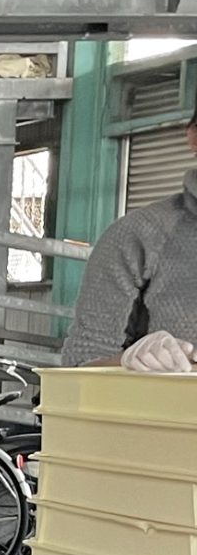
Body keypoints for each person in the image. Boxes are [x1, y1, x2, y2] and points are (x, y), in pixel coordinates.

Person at [64, 119, 197, 371]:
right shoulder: (139, 235)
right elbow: (80, 363)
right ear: (193, 136)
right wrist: (131, 362)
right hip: (164, 408)